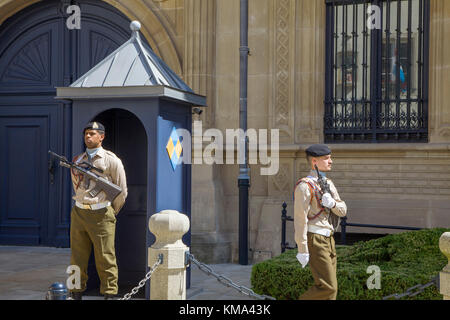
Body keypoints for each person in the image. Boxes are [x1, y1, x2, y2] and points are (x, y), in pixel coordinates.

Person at [69, 122, 127, 300]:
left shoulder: (111, 160)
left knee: (105, 257)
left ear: (101, 137)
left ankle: (109, 293)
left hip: (101, 213)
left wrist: (109, 211)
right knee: (77, 257)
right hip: (79, 212)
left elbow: (121, 190)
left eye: (92, 134)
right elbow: (77, 188)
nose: (88, 136)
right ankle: (75, 291)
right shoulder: (78, 160)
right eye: (86, 133)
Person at [293, 144, 347, 300]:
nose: (331, 161)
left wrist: (332, 204)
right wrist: (302, 248)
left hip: (329, 239)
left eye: (330, 157)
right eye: (327, 158)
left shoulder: (328, 183)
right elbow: (300, 219)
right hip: (315, 239)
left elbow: (343, 210)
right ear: (314, 161)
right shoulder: (304, 187)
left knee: (330, 292)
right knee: (329, 287)